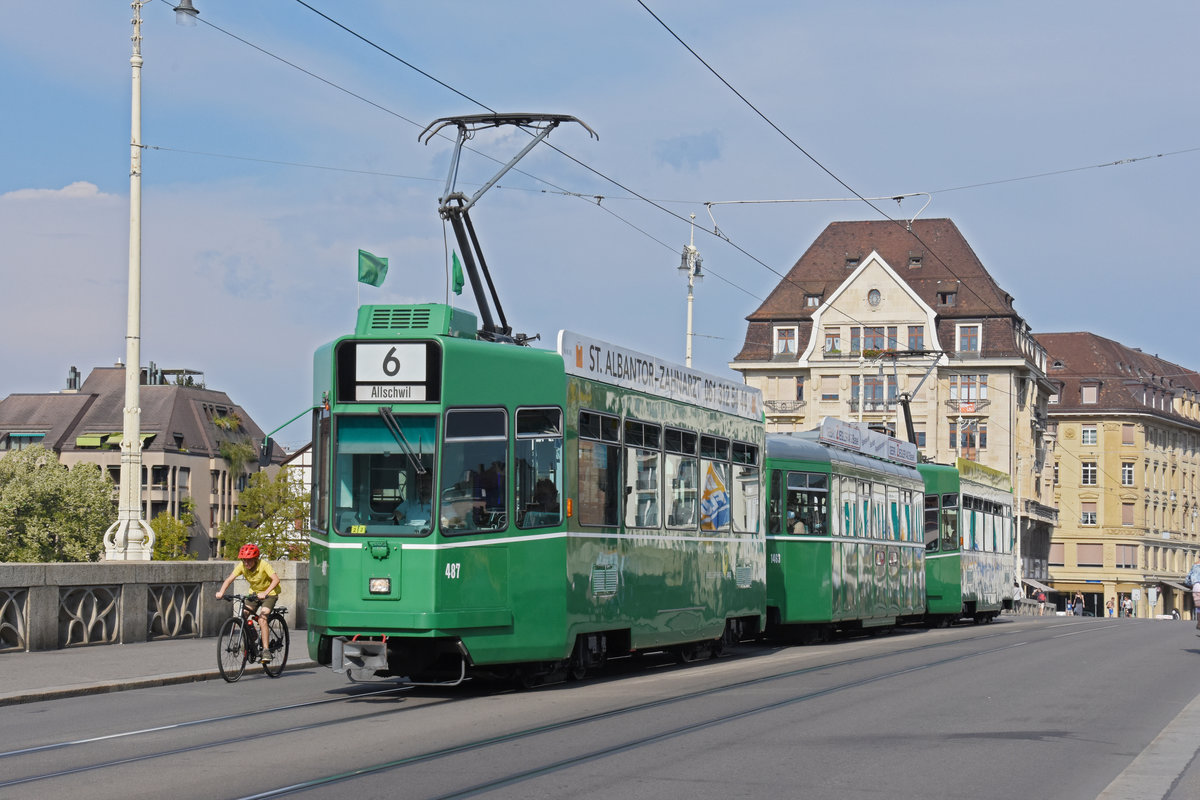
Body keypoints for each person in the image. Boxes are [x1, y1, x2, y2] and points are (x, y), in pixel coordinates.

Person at [215, 543, 280, 663]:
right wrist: (221, 592)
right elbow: (229, 579)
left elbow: (276, 580)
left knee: (262, 619)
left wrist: (265, 592)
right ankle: (252, 636)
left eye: (249, 560)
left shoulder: (263, 565)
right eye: (244, 560)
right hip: (254, 594)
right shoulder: (242, 566)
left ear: (255, 559)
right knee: (243, 615)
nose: (246, 563)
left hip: (269, 594)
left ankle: (266, 651)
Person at [1187, 557, 1200, 630]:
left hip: (1196, 587)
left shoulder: (1194, 566)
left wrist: (1191, 585)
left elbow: (1188, 578)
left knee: (1198, 606)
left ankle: (1199, 622)